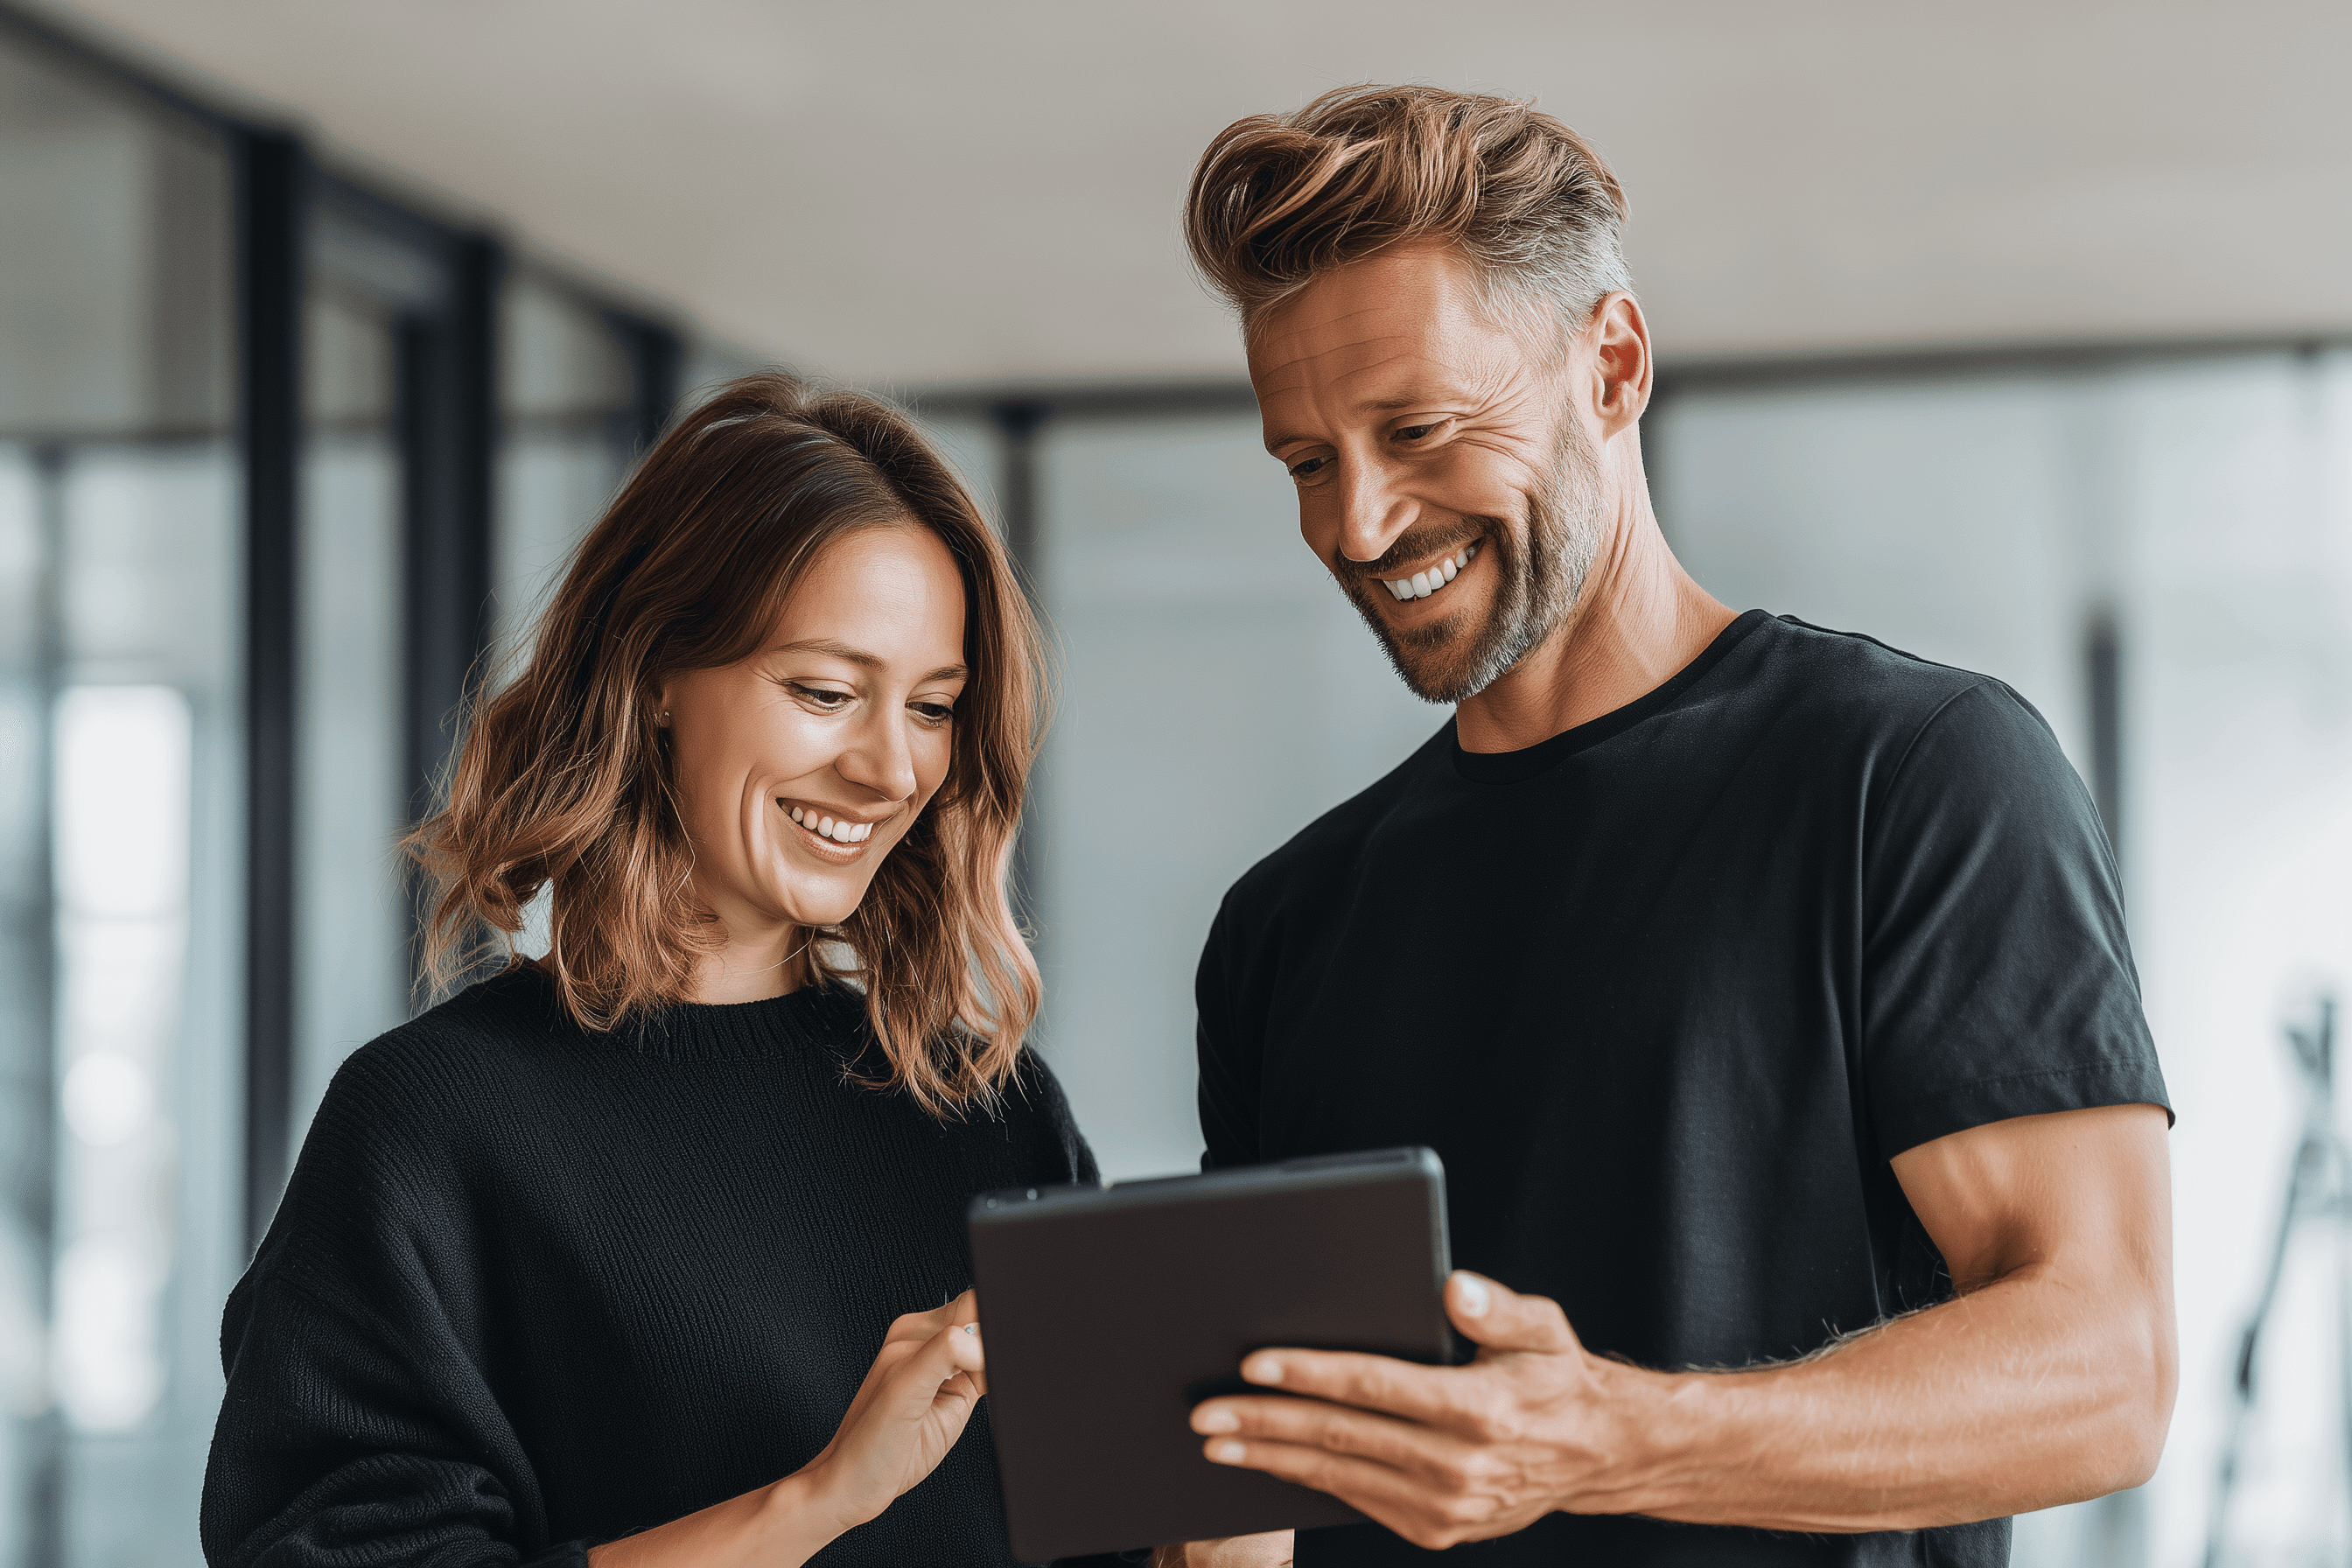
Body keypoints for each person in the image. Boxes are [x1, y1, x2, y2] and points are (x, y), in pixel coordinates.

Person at [1162, 87, 2174, 1566]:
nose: (1358, 525)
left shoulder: (1913, 778)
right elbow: (1271, 1482)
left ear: (1614, 366)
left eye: (1419, 429)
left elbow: (2106, 1370)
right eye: (1308, 461)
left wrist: (1618, 1441)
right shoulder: (1287, 924)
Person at [200, 374, 1110, 1568]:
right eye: (826, 692)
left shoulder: (993, 1115)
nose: (892, 768)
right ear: (655, 676)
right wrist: (821, 1499)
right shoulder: (430, 1126)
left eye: (935, 707)